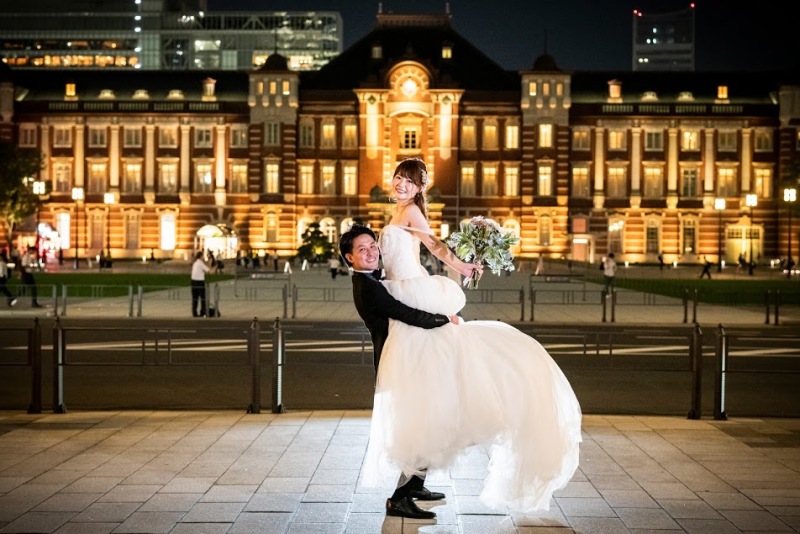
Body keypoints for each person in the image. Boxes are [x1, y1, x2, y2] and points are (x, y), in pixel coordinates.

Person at [357, 157, 582, 516]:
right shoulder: (401, 213)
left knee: (431, 384)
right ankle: (413, 484)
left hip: (412, 291)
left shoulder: (412, 213)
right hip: (402, 289)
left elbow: (434, 247)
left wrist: (462, 266)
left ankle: (410, 486)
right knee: (426, 386)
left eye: (409, 182)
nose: (401, 184)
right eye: (399, 178)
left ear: (420, 189)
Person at [190, 251, 210, 317]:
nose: (203, 257)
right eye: (202, 256)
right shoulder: (200, 263)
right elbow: (208, 270)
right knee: (203, 298)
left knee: (195, 298)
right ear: (200, 256)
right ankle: (203, 312)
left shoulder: (195, 263)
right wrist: (210, 262)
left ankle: (194, 312)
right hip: (199, 282)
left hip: (193, 282)